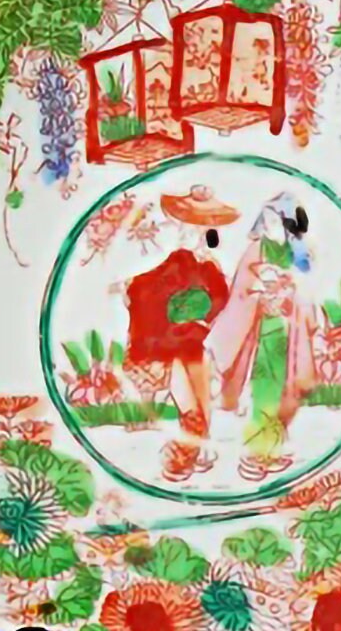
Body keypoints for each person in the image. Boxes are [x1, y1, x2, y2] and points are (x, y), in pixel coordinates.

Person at [122, 186, 238, 481]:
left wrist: (202, 318)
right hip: (170, 342)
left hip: (194, 340)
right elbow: (147, 289)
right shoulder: (178, 260)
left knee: (200, 392)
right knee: (190, 401)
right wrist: (132, 286)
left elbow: (220, 301)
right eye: (193, 224)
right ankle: (187, 453)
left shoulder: (209, 266)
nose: (197, 231)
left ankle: (196, 449)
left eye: (203, 225)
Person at [205, 194, 323, 457]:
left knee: (285, 381)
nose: (269, 225)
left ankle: (273, 438)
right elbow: (241, 288)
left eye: (274, 220)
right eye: (266, 219)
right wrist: (259, 292)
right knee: (264, 380)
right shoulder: (256, 249)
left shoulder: (298, 251)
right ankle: (260, 441)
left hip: (289, 326)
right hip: (261, 327)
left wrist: (288, 291)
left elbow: (306, 287)